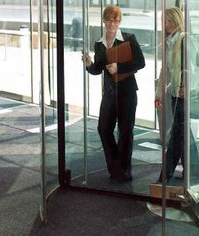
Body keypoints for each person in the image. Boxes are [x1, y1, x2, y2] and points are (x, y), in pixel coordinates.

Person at [82, 5, 145, 182]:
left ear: (120, 21)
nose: (112, 23)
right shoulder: (99, 43)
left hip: (127, 93)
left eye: (116, 20)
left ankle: (124, 172)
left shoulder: (128, 38)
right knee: (103, 129)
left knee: (125, 131)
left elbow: (140, 62)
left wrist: (119, 67)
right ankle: (115, 166)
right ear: (104, 20)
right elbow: (98, 69)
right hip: (109, 94)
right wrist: (88, 64)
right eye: (109, 19)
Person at [155, 7, 199, 183]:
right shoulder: (169, 42)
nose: (166, 24)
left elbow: (193, 68)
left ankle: (164, 178)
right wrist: (158, 93)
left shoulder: (185, 40)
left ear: (177, 20)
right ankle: (193, 171)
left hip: (185, 96)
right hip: (175, 94)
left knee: (176, 136)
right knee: (183, 134)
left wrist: (186, 86)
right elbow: (164, 71)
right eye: (164, 21)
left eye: (169, 20)